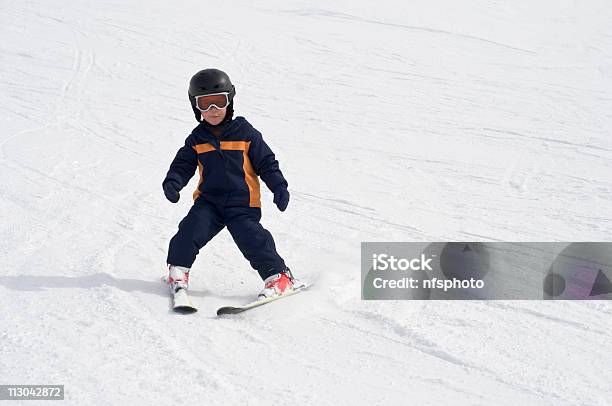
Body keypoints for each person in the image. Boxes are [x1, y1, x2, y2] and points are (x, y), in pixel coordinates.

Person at [162, 68, 302, 300]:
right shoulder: (197, 138)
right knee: (188, 231)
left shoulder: (245, 133)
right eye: (205, 104)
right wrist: (173, 182)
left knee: (253, 238)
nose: (213, 110)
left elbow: (267, 163)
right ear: (195, 106)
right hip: (209, 202)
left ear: (230, 100)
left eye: (219, 102)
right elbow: (182, 164)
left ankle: (279, 276)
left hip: (243, 204)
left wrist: (278, 187)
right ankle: (177, 271)